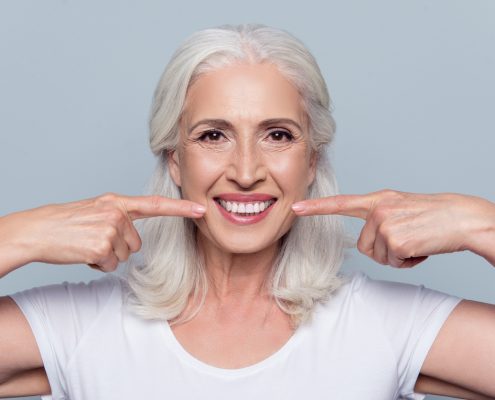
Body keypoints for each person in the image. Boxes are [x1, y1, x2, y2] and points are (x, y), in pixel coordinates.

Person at [0, 23, 494, 400]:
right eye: (213, 135)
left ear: (311, 161)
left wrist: (481, 224)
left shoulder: (384, 326)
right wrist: (16, 238)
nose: (245, 170)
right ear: (175, 160)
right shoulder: (83, 326)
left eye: (278, 135)